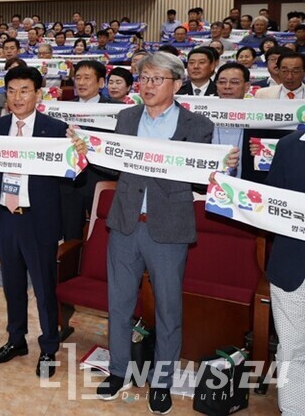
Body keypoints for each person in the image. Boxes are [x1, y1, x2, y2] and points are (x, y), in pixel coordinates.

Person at [96, 52, 237, 413]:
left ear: (176, 84)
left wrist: (221, 165)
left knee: (169, 310)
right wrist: (85, 148)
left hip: (169, 229)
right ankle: (118, 371)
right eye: (144, 78)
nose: (148, 85)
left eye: (157, 79)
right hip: (126, 224)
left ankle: (162, 381)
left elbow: (203, 177)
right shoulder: (126, 117)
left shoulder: (197, 125)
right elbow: (110, 162)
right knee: (119, 304)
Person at [0, 66, 85, 379]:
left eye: (24, 90)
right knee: (12, 285)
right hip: (5, 216)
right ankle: (16, 340)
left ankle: (49, 346)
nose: (17, 97)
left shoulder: (56, 129)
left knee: (43, 288)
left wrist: (79, 153)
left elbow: (72, 179)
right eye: (11, 90)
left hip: (38, 219)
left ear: (38, 94)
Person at [260, 130, 305, 415]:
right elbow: (270, 202)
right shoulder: (289, 146)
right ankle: (293, 410)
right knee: (291, 349)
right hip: (292, 266)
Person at [59, 60, 120, 241]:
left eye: (87, 78)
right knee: (71, 236)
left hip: (100, 181)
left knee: (102, 237)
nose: (81, 82)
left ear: (101, 83)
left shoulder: (116, 111)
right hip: (69, 183)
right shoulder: (62, 109)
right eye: (78, 77)